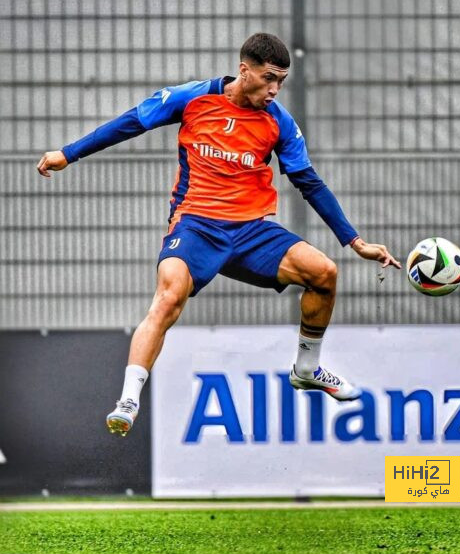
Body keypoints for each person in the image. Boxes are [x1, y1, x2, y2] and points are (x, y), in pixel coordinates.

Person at [37, 33, 401, 437]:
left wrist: (355, 241)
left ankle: (306, 367)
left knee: (324, 273)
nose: (275, 89)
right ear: (244, 71)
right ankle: (128, 400)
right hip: (196, 225)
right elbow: (132, 122)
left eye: (281, 80)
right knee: (168, 296)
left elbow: (309, 182)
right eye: (268, 78)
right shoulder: (193, 98)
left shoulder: (278, 121)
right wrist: (68, 153)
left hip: (251, 230)